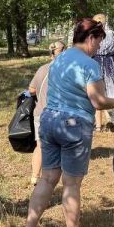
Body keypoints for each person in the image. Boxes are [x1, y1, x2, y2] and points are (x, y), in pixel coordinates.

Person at [20, 18, 114, 227]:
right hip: (74, 126)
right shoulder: (89, 65)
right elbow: (99, 101)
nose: (99, 47)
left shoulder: (59, 59)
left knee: (47, 179)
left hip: (49, 121)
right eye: (99, 41)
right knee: (71, 184)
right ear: (90, 38)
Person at [28, 40, 66, 186]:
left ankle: (34, 176)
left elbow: (31, 90)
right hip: (58, 114)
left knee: (40, 146)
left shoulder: (42, 69)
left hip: (40, 113)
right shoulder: (65, 71)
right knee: (59, 147)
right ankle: (51, 179)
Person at [92, 13, 114, 131]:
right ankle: (113, 122)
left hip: (95, 63)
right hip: (110, 65)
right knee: (110, 95)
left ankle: (98, 126)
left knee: (97, 94)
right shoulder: (112, 34)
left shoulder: (93, 34)